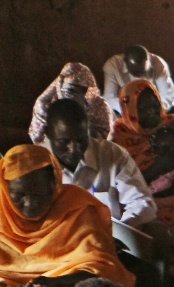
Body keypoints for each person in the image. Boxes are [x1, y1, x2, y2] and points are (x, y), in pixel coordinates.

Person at [0, 145, 135, 287]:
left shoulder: (77, 206)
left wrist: (54, 284)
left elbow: (101, 265)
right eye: (19, 194)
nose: (30, 203)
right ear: (6, 188)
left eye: (39, 194)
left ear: (54, 184)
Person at [110, 80, 174, 264]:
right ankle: (167, 274)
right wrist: (158, 167)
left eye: (155, 106)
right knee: (158, 226)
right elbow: (122, 187)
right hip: (145, 202)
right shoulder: (120, 137)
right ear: (130, 110)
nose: (152, 113)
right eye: (143, 109)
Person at [41, 99, 158, 230]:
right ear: (47, 132)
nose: (74, 149)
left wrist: (117, 235)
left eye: (81, 139)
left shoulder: (112, 154)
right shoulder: (35, 164)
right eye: (64, 141)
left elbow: (142, 202)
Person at [29, 62, 113, 144]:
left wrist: (81, 119)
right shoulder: (47, 104)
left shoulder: (99, 106)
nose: (72, 95)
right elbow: (37, 139)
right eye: (70, 90)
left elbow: (104, 141)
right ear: (60, 85)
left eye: (82, 90)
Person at [102, 45, 174, 114]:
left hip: (153, 109)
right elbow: (109, 98)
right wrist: (133, 111)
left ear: (148, 62)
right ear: (125, 63)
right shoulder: (113, 66)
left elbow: (168, 94)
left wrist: (155, 110)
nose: (139, 76)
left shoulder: (158, 64)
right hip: (126, 110)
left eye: (142, 72)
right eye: (135, 72)